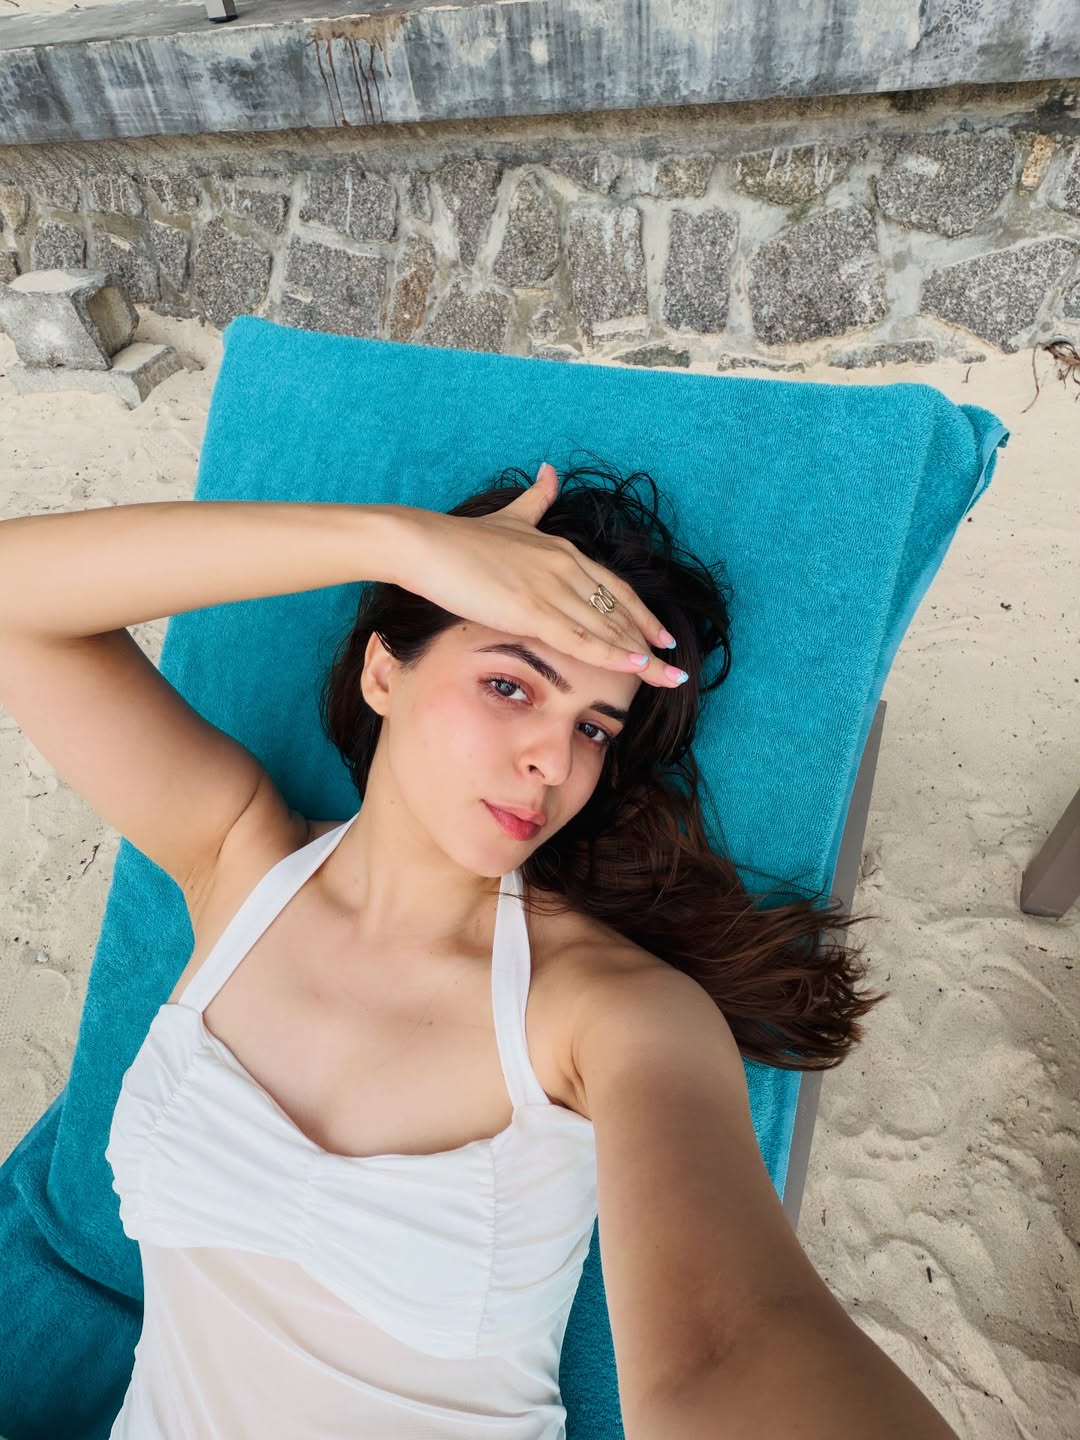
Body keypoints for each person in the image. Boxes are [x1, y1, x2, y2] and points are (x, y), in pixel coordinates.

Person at [0, 458, 958, 1439]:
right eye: (510, 684)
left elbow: (732, 1342)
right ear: (385, 671)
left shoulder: (605, 1012)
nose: (553, 759)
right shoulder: (239, 863)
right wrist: (397, 542)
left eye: (595, 728)